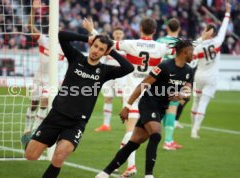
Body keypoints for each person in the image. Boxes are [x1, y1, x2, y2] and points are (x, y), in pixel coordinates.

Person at [24, 29, 134, 178]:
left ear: (104, 53)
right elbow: (62, 35)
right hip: (56, 116)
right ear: (91, 45)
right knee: (30, 155)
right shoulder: (76, 57)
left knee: (59, 155)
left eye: (101, 49)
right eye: (95, 46)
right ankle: (37, 135)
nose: (96, 51)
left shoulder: (104, 71)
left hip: (76, 123)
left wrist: (111, 51)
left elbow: (129, 68)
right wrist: (87, 38)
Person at [85, 17, 175, 177]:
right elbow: (180, 49)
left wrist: (92, 30)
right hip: (151, 94)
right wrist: (202, 39)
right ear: (154, 31)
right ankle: (133, 167)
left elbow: (107, 42)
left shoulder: (130, 43)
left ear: (140, 28)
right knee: (141, 133)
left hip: (132, 92)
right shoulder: (161, 47)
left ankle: (131, 166)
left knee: (131, 131)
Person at [95, 38, 195, 178]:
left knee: (133, 143)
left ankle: (104, 173)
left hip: (161, 108)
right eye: (192, 52)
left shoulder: (189, 71)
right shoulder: (164, 66)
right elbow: (143, 84)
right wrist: (128, 106)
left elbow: (188, 92)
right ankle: (149, 175)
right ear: (185, 52)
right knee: (156, 134)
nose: (194, 55)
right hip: (149, 102)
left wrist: (181, 94)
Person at [23, 0, 67, 135]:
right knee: (34, 104)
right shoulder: (44, 40)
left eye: (58, 30)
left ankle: (35, 131)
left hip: (52, 81)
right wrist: (33, 11)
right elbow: (29, 26)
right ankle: (27, 129)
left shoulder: (65, 49)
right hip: (39, 78)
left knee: (44, 102)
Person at [191, 2, 231, 138]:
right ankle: (195, 130)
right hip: (211, 77)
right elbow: (224, 28)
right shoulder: (218, 41)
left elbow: (192, 61)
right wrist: (227, 13)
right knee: (203, 103)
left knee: (196, 101)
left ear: (206, 32)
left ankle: (192, 127)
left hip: (199, 75)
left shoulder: (198, 46)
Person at [83, 19, 126, 132]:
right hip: (108, 76)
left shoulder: (125, 47)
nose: (117, 35)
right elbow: (100, 39)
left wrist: (92, 30)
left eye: (120, 33)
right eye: (116, 33)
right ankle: (106, 125)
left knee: (123, 99)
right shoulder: (109, 45)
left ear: (123, 35)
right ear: (113, 34)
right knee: (108, 98)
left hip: (121, 78)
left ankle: (130, 122)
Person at [156, 18, 184, 150]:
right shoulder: (182, 43)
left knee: (160, 108)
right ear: (179, 28)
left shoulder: (160, 41)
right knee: (172, 109)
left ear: (167, 28)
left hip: (159, 79)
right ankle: (168, 141)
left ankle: (153, 135)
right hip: (174, 80)